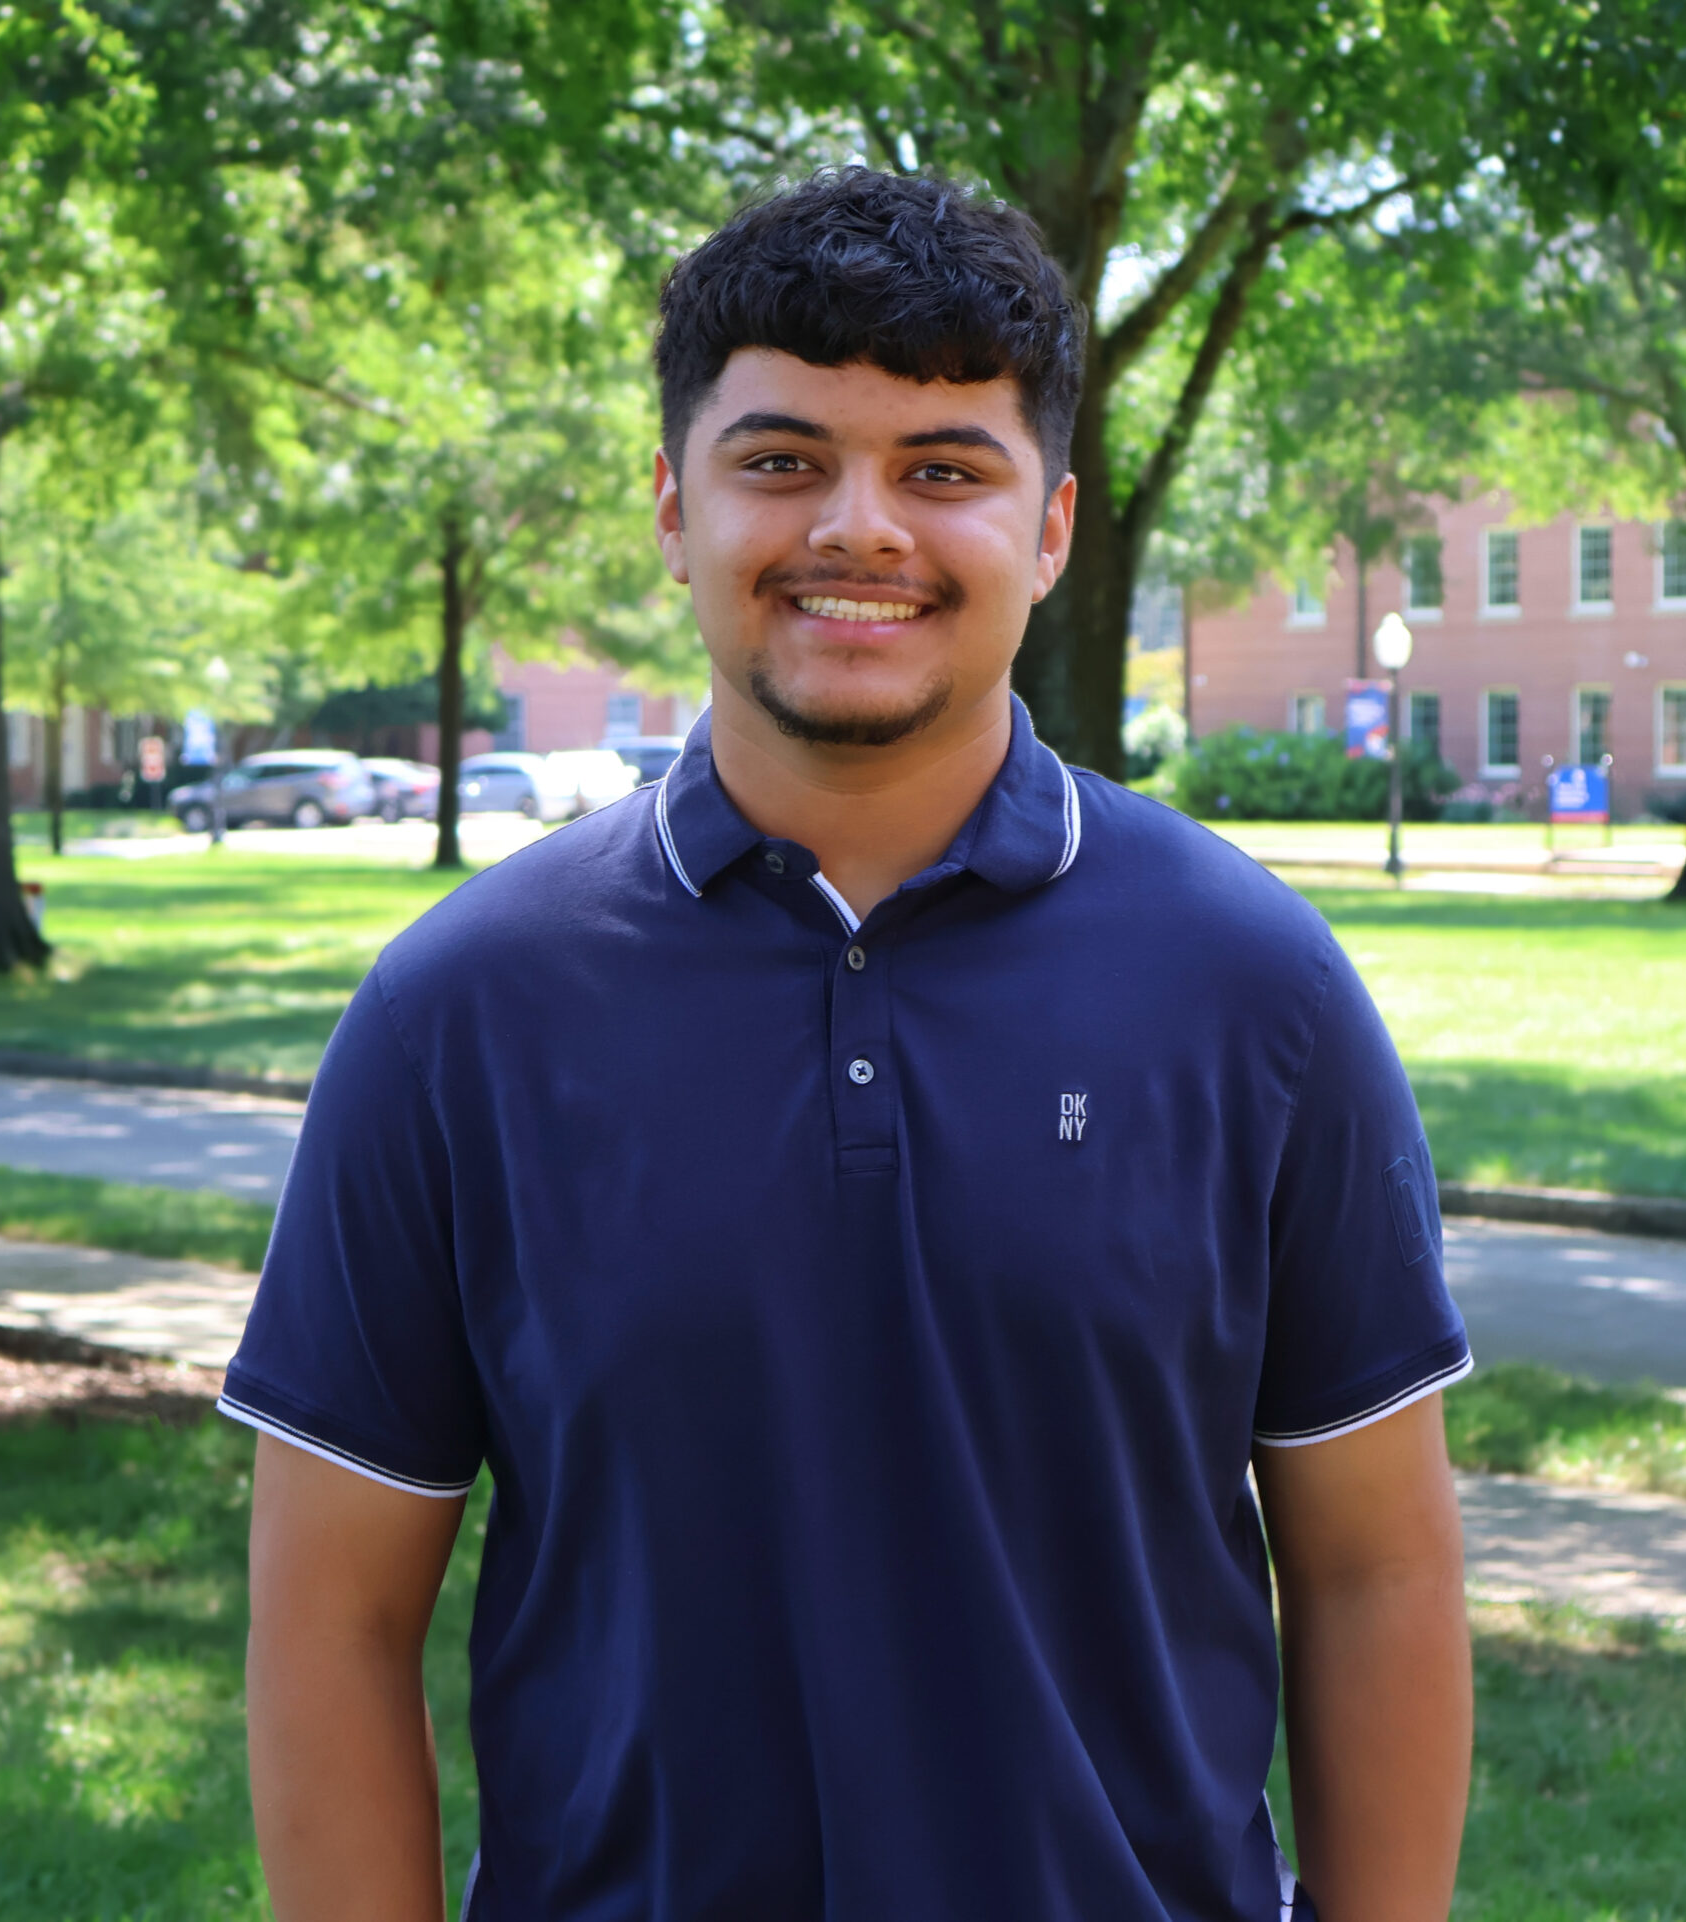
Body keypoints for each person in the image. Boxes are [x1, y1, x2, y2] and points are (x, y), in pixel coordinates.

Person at [229, 169, 1472, 1922]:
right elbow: (333, 1616)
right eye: (783, 459)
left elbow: (1377, 1573)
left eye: (945, 468)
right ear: (676, 506)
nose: (861, 528)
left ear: (1049, 529)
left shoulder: (1252, 983)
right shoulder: (460, 1010)